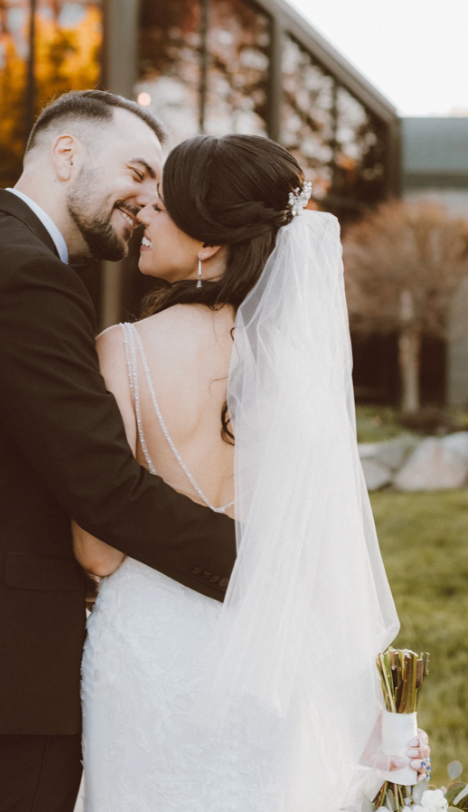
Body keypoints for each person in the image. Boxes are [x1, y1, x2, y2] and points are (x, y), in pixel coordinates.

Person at [0, 91, 237, 812]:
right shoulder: (27, 277)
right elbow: (105, 488)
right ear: (66, 155)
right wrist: (260, 566)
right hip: (3, 672)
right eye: (137, 171)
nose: (146, 201)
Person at [75, 133, 431, 812]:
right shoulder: (298, 366)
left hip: (147, 651)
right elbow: (324, 549)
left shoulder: (122, 351)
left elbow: (97, 552)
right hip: (273, 656)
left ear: (209, 241)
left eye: (162, 205)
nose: (143, 213)